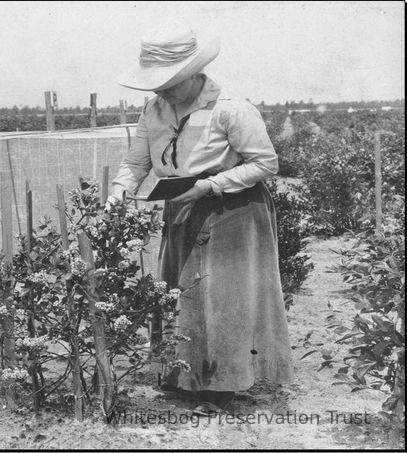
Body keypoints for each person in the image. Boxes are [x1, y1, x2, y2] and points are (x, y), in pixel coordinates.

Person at [108, 22, 293, 406]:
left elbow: (265, 164)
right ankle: (181, 376)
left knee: (224, 295)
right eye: (156, 83)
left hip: (233, 209)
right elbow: (136, 162)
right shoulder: (154, 109)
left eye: (169, 82)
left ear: (193, 75)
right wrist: (118, 193)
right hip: (181, 206)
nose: (161, 90)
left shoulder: (231, 109)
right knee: (181, 290)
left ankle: (224, 384)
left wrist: (208, 185)